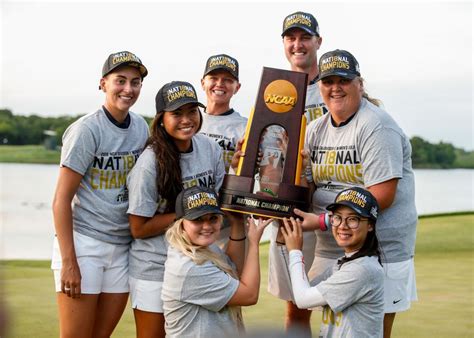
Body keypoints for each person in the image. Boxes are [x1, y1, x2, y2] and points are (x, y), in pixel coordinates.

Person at [296, 49, 418, 338]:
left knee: (373, 331)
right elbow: (310, 188)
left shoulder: (376, 125)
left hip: (381, 248)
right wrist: (292, 176)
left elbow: (382, 195)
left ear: (359, 84)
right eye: (328, 81)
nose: (335, 88)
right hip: (333, 247)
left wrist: (324, 221)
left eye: (344, 80)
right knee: (333, 327)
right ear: (320, 87)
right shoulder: (315, 129)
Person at [51, 51, 149, 338]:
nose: (128, 89)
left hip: (122, 247)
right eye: (120, 81)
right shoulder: (86, 130)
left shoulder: (141, 126)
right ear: (103, 84)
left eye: (135, 82)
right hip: (85, 246)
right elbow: (60, 200)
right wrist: (70, 263)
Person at [126, 81, 225, 338]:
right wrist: (188, 211)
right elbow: (138, 228)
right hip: (154, 266)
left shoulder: (211, 149)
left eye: (192, 111)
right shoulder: (150, 163)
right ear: (161, 119)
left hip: (199, 265)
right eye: (177, 113)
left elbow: (218, 207)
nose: (186, 119)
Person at [266, 11, 328, 335]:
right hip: (292, 208)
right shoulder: (275, 91)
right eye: (291, 38)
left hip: (333, 206)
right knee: (297, 306)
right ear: (284, 44)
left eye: (305, 37)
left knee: (342, 303)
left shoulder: (334, 85)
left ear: (319, 41)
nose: (298, 44)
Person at [162, 186, 272, 337]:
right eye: (197, 220)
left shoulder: (201, 248)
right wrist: (254, 244)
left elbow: (233, 271)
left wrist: (237, 224)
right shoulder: (189, 268)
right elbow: (249, 295)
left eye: (213, 218)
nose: (206, 226)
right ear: (181, 223)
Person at [281, 187, 384, 338]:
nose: (342, 225)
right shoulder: (343, 263)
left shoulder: (363, 270)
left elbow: (303, 299)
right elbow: (305, 289)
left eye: (353, 219)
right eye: (337, 218)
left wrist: (295, 252)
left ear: (370, 225)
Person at [200, 53, 247, 173]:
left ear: (237, 87)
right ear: (203, 83)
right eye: (213, 78)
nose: (220, 84)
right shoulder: (189, 121)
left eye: (228, 80)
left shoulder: (246, 128)